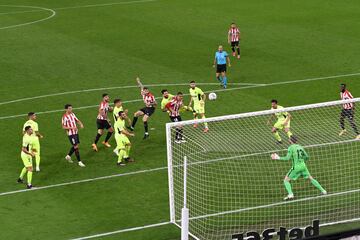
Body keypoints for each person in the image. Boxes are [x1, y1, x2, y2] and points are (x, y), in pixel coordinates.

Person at [271, 136, 327, 201]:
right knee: (311, 178)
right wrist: (302, 161)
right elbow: (306, 156)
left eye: (289, 139)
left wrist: (278, 157)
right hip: (303, 166)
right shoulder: (300, 147)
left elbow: (287, 158)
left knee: (286, 180)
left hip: (296, 167)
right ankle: (323, 191)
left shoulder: (291, 147)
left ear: (290, 140)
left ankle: (290, 194)